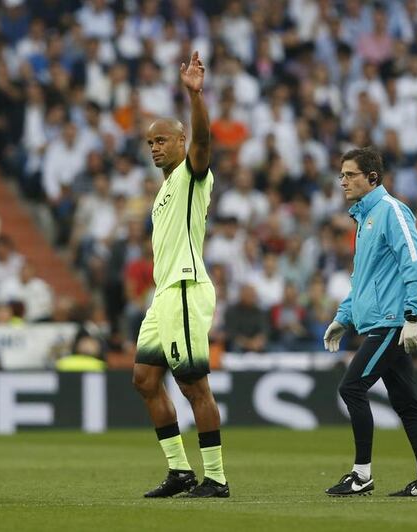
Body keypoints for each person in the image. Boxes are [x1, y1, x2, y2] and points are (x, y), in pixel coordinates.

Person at [132, 51, 228, 499]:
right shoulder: (165, 190)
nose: (154, 148)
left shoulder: (192, 176)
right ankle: (180, 472)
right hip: (164, 295)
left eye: (162, 141)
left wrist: (196, 96)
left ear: (180, 141)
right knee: (145, 379)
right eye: (150, 143)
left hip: (186, 289)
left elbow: (205, 142)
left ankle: (216, 478)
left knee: (193, 386)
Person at [323, 146, 417, 497]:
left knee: (351, 388)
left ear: (372, 178)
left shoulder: (391, 211)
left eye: (350, 174)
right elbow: (361, 279)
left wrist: (414, 314)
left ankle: (361, 475)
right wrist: (342, 318)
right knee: (406, 404)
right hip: (380, 322)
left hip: (391, 322)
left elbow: (415, 262)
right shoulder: (364, 218)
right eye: (341, 174)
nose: (343, 181)